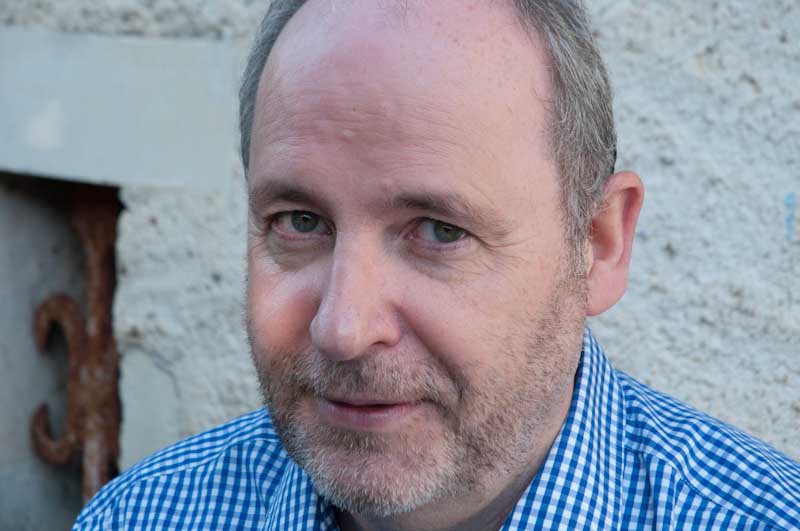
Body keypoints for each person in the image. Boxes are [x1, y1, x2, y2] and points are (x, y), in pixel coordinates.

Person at [73, 0, 800, 529]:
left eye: (438, 231)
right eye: (299, 222)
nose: (343, 328)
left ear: (600, 242)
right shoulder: (141, 515)